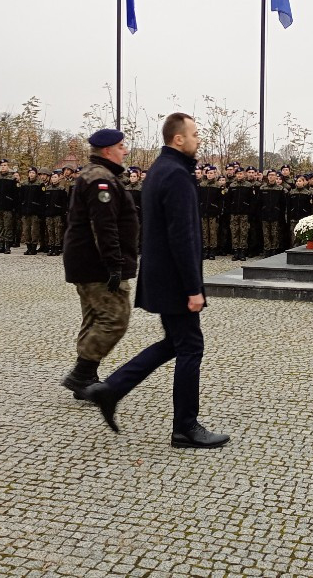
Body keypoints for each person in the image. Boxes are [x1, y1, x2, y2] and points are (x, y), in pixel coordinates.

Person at [83, 113, 229, 449]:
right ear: (178, 139)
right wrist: (194, 288)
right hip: (176, 281)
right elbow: (183, 237)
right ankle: (185, 427)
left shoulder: (161, 170)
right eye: (194, 134)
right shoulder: (176, 175)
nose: (198, 139)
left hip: (163, 277)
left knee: (175, 343)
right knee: (191, 347)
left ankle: (112, 389)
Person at [61, 129, 139, 398]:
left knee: (95, 317)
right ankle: (81, 373)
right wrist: (115, 265)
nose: (125, 150)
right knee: (115, 318)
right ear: (107, 151)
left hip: (87, 262)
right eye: (121, 146)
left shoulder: (97, 175)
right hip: (97, 265)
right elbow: (104, 226)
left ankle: (86, 380)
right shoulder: (99, 180)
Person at [226, 165, 255, 261]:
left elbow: (252, 201)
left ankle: (242, 251)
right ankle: (235, 251)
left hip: (244, 213)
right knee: (234, 232)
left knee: (243, 232)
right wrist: (230, 210)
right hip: (234, 213)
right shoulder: (232, 185)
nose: (239, 175)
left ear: (244, 174)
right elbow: (228, 200)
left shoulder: (248, 186)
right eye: (238, 174)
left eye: (241, 174)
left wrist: (250, 212)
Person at [0, 159, 18, 254]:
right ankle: (1, 245)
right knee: (0, 226)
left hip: (8, 206)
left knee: (8, 226)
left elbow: (15, 194)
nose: (3, 167)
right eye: (1, 165)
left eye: (5, 165)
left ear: (8, 167)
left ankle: (7, 246)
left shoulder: (12, 179)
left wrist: (14, 206)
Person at [257, 169, 287, 258]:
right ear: (267, 177)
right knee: (266, 233)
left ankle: (274, 250)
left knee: (275, 233)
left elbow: (283, 204)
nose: (271, 177)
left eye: (273, 175)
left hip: (276, 215)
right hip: (265, 214)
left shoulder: (280, 189)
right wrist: (261, 212)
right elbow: (259, 203)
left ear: (276, 176)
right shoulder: (262, 188)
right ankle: (267, 250)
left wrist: (281, 214)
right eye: (270, 175)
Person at [197, 164, 224, 260]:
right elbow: (198, 198)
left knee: (212, 232)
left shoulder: (217, 186)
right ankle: (206, 249)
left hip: (213, 212)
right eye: (208, 173)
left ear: (214, 174)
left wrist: (219, 210)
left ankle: (212, 250)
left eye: (211, 173)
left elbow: (220, 200)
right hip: (203, 211)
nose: (209, 175)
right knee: (205, 231)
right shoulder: (201, 185)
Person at [20, 166, 45, 255]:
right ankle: (28, 247)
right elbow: (21, 197)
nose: (31, 174)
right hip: (25, 211)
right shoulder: (24, 184)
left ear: (36, 174)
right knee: (26, 230)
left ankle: (34, 247)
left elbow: (42, 199)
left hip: (35, 211)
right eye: (30, 173)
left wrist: (40, 211)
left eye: (33, 173)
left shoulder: (40, 184)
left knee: (34, 230)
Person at [43, 170, 68, 256]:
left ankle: (57, 248)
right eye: (52, 177)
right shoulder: (48, 189)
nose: (53, 179)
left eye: (55, 177)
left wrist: (63, 212)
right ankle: (51, 247)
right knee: (50, 231)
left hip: (58, 214)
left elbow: (64, 203)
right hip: (49, 213)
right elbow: (45, 201)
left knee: (58, 231)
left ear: (58, 179)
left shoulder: (61, 189)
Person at [287, 173, 313, 246]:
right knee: (294, 236)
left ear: (303, 182)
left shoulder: (308, 193)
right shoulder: (291, 192)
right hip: (294, 218)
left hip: (304, 218)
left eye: (300, 181)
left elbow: (310, 206)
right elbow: (289, 205)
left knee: (303, 236)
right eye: (297, 181)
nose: (298, 183)